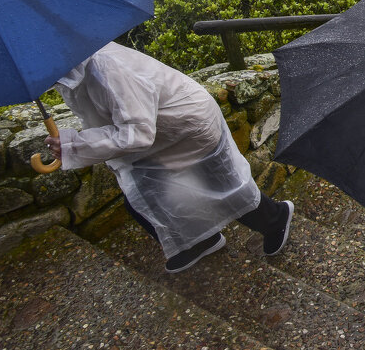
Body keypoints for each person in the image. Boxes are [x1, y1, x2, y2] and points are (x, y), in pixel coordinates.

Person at [45, 42, 294, 273]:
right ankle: (201, 240)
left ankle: (276, 217)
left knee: (224, 187)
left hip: (189, 128)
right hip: (164, 136)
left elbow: (136, 133)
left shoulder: (108, 67)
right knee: (148, 197)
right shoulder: (78, 65)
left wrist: (76, 145)